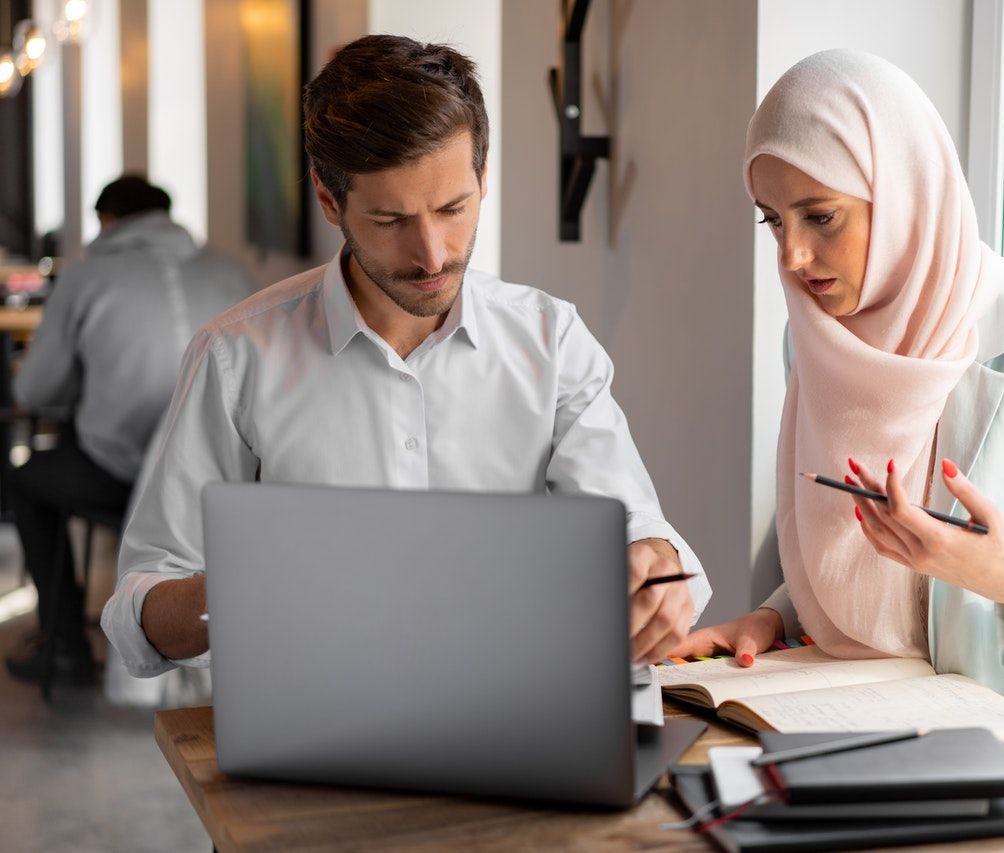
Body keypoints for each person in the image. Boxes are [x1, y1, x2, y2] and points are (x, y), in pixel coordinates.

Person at [669, 50, 1004, 851]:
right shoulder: (818, 351)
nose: (791, 257)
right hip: (889, 776)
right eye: (772, 220)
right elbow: (868, 553)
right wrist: (773, 617)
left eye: (820, 216)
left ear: (905, 195)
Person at [101, 36, 710, 679]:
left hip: (519, 703)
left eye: (453, 209)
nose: (432, 254)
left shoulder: (551, 340)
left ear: (483, 178)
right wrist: (240, 591)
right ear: (330, 200)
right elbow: (138, 613)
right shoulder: (234, 358)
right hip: (315, 722)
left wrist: (653, 559)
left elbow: (634, 524)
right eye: (390, 220)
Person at [5, 175, 255, 684]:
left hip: (120, 474)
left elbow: (36, 392)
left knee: (25, 480)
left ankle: (65, 647)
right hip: (229, 484)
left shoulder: (85, 277)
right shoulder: (233, 273)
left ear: (108, 221)